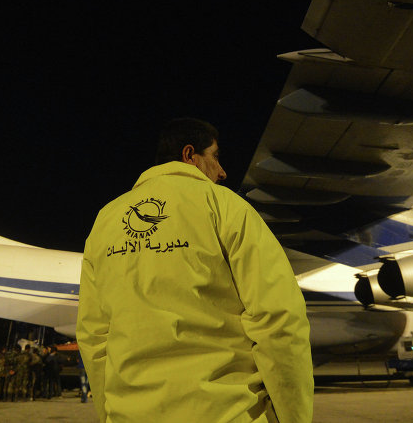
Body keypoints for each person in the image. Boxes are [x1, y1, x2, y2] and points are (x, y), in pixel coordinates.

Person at [77, 118, 314, 422]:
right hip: (226, 413)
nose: (222, 170)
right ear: (190, 155)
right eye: (215, 156)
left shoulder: (105, 221)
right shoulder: (226, 206)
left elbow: (94, 337)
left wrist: (111, 414)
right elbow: (279, 319)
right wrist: (293, 416)